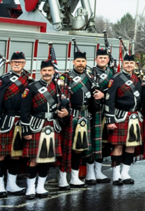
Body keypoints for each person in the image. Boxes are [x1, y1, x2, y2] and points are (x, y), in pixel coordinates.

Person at [20, 59, 69, 198]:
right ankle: (30, 188)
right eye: (44, 71)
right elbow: (24, 111)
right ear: (40, 72)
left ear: (54, 72)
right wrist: (26, 130)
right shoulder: (32, 87)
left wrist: (66, 113)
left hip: (53, 125)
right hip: (36, 125)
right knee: (33, 159)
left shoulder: (60, 87)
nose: (47, 73)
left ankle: (41, 187)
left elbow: (66, 107)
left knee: (47, 158)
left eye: (49, 71)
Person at [0, 52, 29, 196]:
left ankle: (11, 184)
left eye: (20, 62)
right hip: (6, 120)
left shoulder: (28, 80)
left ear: (24, 63)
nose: (17, 64)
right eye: (14, 62)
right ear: (10, 63)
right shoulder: (3, 79)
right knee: (1, 154)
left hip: (21, 121)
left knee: (16, 155)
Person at [105, 54, 145, 185]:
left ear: (135, 64)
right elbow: (109, 100)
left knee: (131, 145)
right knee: (118, 145)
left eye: (131, 63)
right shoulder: (115, 79)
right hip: (120, 116)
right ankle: (116, 175)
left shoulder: (139, 79)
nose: (129, 65)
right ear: (123, 64)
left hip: (135, 116)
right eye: (127, 63)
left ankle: (125, 173)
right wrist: (110, 120)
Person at [57, 50, 94, 189]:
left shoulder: (89, 77)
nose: (81, 64)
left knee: (78, 149)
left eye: (83, 61)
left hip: (84, 116)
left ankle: (74, 177)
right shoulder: (65, 77)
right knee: (66, 148)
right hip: (71, 115)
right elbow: (61, 96)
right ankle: (62, 178)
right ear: (73, 62)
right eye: (78, 61)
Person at [85, 47, 114, 183]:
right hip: (94, 111)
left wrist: (105, 95)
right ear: (96, 59)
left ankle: (98, 171)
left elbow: (114, 91)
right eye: (100, 58)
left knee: (102, 143)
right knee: (92, 142)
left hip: (106, 110)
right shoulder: (90, 72)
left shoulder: (112, 72)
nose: (102, 60)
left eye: (105, 58)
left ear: (108, 60)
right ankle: (90, 173)